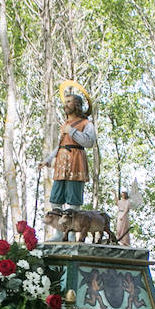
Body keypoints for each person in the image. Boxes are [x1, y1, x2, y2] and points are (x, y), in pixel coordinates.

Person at [42, 83, 97, 212]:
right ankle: (59, 231)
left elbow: (89, 142)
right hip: (61, 162)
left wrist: (71, 131)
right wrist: (49, 159)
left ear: (76, 104)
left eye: (69, 102)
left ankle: (72, 231)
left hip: (76, 161)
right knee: (56, 197)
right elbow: (61, 144)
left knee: (73, 197)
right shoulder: (65, 124)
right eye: (65, 101)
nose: (65, 104)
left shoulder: (86, 123)